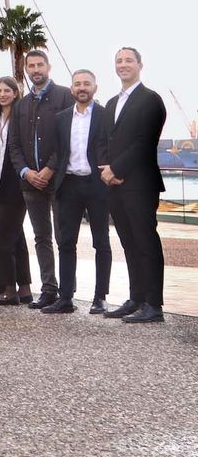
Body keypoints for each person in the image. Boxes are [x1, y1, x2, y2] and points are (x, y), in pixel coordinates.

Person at [101, 47, 167, 324]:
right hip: (115, 185)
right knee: (128, 243)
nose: (123, 64)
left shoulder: (151, 100)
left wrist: (117, 169)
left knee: (145, 242)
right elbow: (105, 140)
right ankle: (136, 297)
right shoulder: (112, 103)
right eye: (119, 61)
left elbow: (144, 142)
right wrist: (107, 170)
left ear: (140, 65)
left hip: (140, 184)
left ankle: (154, 304)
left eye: (129, 60)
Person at [44, 70, 112, 315]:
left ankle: (100, 297)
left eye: (86, 84)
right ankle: (65, 298)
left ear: (95, 87)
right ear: (72, 89)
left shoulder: (106, 116)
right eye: (77, 84)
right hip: (69, 184)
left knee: (101, 242)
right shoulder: (61, 118)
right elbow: (58, 151)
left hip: (97, 184)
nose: (82, 88)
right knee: (65, 242)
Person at [9, 49, 72, 310]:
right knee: (41, 237)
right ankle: (48, 289)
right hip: (30, 182)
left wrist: (49, 169)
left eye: (39, 65)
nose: (35, 70)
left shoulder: (65, 96)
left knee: (63, 236)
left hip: (57, 180)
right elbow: (14, 144)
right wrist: (26, 172)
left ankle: (67, 294)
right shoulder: (21, 105)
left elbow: (68, 138)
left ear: (49, 66)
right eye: (31, 66)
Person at [0, 77, 34, 306]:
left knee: (0, 235)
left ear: (16, 93)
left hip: (17, 184)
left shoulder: (21, 117)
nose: (2, 94)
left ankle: (8, 289)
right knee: (17, 238)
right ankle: (24, 290)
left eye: (7, 90)